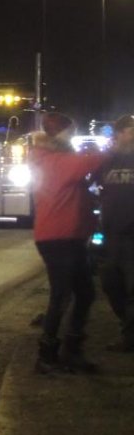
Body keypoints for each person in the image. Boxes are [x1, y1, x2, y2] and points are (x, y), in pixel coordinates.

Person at [29, 112, 109, 373]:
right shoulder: (52, 161)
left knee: (84, 293)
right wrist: (116, 148)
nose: (73, 137)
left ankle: (70, 349)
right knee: (62, 295)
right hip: (58, 237)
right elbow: (90, 162)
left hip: (69, 237)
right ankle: (47, 354)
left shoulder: (53, 159)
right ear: (60, 134)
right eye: (70, 132)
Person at [98, 114, 134, 352]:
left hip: (133, 234)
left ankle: (129, 337)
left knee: (132, 288)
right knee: (111, 284)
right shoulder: (107, 161)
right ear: (119, 134)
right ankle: (127, 326)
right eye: (131, 131)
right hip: (111, 234)